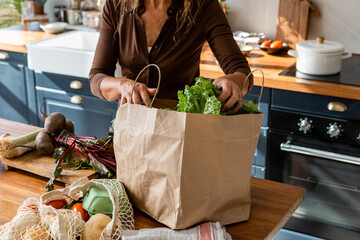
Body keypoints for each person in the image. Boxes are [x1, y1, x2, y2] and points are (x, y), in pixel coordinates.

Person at [89, 0, 253, 113]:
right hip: (132, 127)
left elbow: (241, 71)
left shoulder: (204, 6)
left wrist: (234, 81)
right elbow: (97, 77)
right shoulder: (117, 5)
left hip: (181, 131)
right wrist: (123, 86)